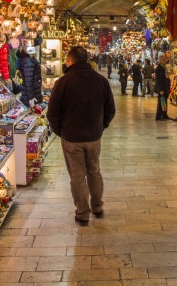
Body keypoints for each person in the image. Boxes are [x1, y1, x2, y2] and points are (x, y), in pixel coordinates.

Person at [47, 46, 116, 226]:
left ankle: (83, 213)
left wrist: (60, 131)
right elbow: (111, 109)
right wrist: (101, 127)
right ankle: (97, 206)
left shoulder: (62, 82)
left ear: (70, 61)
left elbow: (52, 113)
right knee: (94, 171)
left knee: (77, 176)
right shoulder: (100, 81)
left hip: (71, 138)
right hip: (94, 137)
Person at [155, 54, 171, 121]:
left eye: (165, 59)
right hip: (162, 88)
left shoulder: (164, 67)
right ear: (160, 60)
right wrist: (160, 89)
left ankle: (164, 114)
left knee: (164, 102)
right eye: (164, 59)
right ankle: (158, 116)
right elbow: (158, 80)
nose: (165, 60)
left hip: (166, 87)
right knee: (161, 102)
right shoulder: (159, 68)